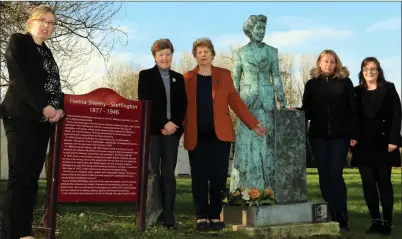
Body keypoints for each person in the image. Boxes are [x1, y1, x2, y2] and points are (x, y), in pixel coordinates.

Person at [183, 37, 266, 231]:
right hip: (197, 135)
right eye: (199, 52)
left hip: (220, 136)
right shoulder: (187, 78)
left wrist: (253, 123)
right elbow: (182, 106)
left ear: (212, 54)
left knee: (219, 176)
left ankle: (215, 214)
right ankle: (201, 215)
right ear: (194, 56)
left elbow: (236, 102)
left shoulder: (224, 75)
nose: (203, 55)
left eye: (206, 51)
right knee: (199, 177)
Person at [0, 5, 64, 239]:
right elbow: (19, 78)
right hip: (20, 117)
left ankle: (24, 232)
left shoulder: (47, 52)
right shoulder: (19, 41)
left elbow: (54, 86)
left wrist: (59, 109)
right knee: (19, 177)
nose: (47, 25)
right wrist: (43, 106)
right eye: (43, 20)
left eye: (51, 22)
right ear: (31, 23)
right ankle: (11, 233)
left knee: (32, 178)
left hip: (43, 122)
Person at [301, 49, 358, 232]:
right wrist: (295, 113)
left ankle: (342, 217)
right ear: (319, 62)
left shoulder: (345, 83)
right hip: (318, 136)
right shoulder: (311, 84)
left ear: (336, 64)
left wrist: (354, 135)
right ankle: (330, 213)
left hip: (340, 136)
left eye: (332, 62)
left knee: (335, 174)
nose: (329, 64)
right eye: (326, 61)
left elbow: (353, 110)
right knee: (324, 175)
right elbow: (306, 109)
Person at [230, 14, 288, 191]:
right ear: (250, 30)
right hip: (246, 101)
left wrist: (281, 96)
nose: (261, 31)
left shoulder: (271, 51)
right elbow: (235, 80)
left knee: (266, 141)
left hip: (267, 99)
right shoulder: (240, 53)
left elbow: (276, 77)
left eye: (264, 28)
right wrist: (234, 103)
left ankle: (268, 187)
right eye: (258, 28)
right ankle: (244, 188)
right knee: (246, 142)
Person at [138, 39, 187, 229]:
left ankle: (168, 216)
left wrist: (173, 125)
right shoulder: (146, 76)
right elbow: (145, 102)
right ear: (155, 57)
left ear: (171, 55)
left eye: (167, 54)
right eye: (161, 55)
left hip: (172, 134)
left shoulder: (178, 78)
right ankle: (152, 216)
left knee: (169, 174)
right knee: (152, 174)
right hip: (153, 132)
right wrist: (163, 124)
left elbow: (182, 105)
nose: (165, 58)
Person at [351, 57, 401, 236]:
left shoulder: (389, 88)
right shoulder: (356, 92)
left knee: (384, 182)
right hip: (363, 144)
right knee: (368, 184)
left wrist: (394, 139)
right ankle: (375, 222)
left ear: (379, 71)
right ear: (362, 72)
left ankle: (387, 222)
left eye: (373, 69)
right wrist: (353, 137)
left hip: (384, 142)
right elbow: (353, 117)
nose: (369, 72)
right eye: (366, 69)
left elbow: (397, 115)